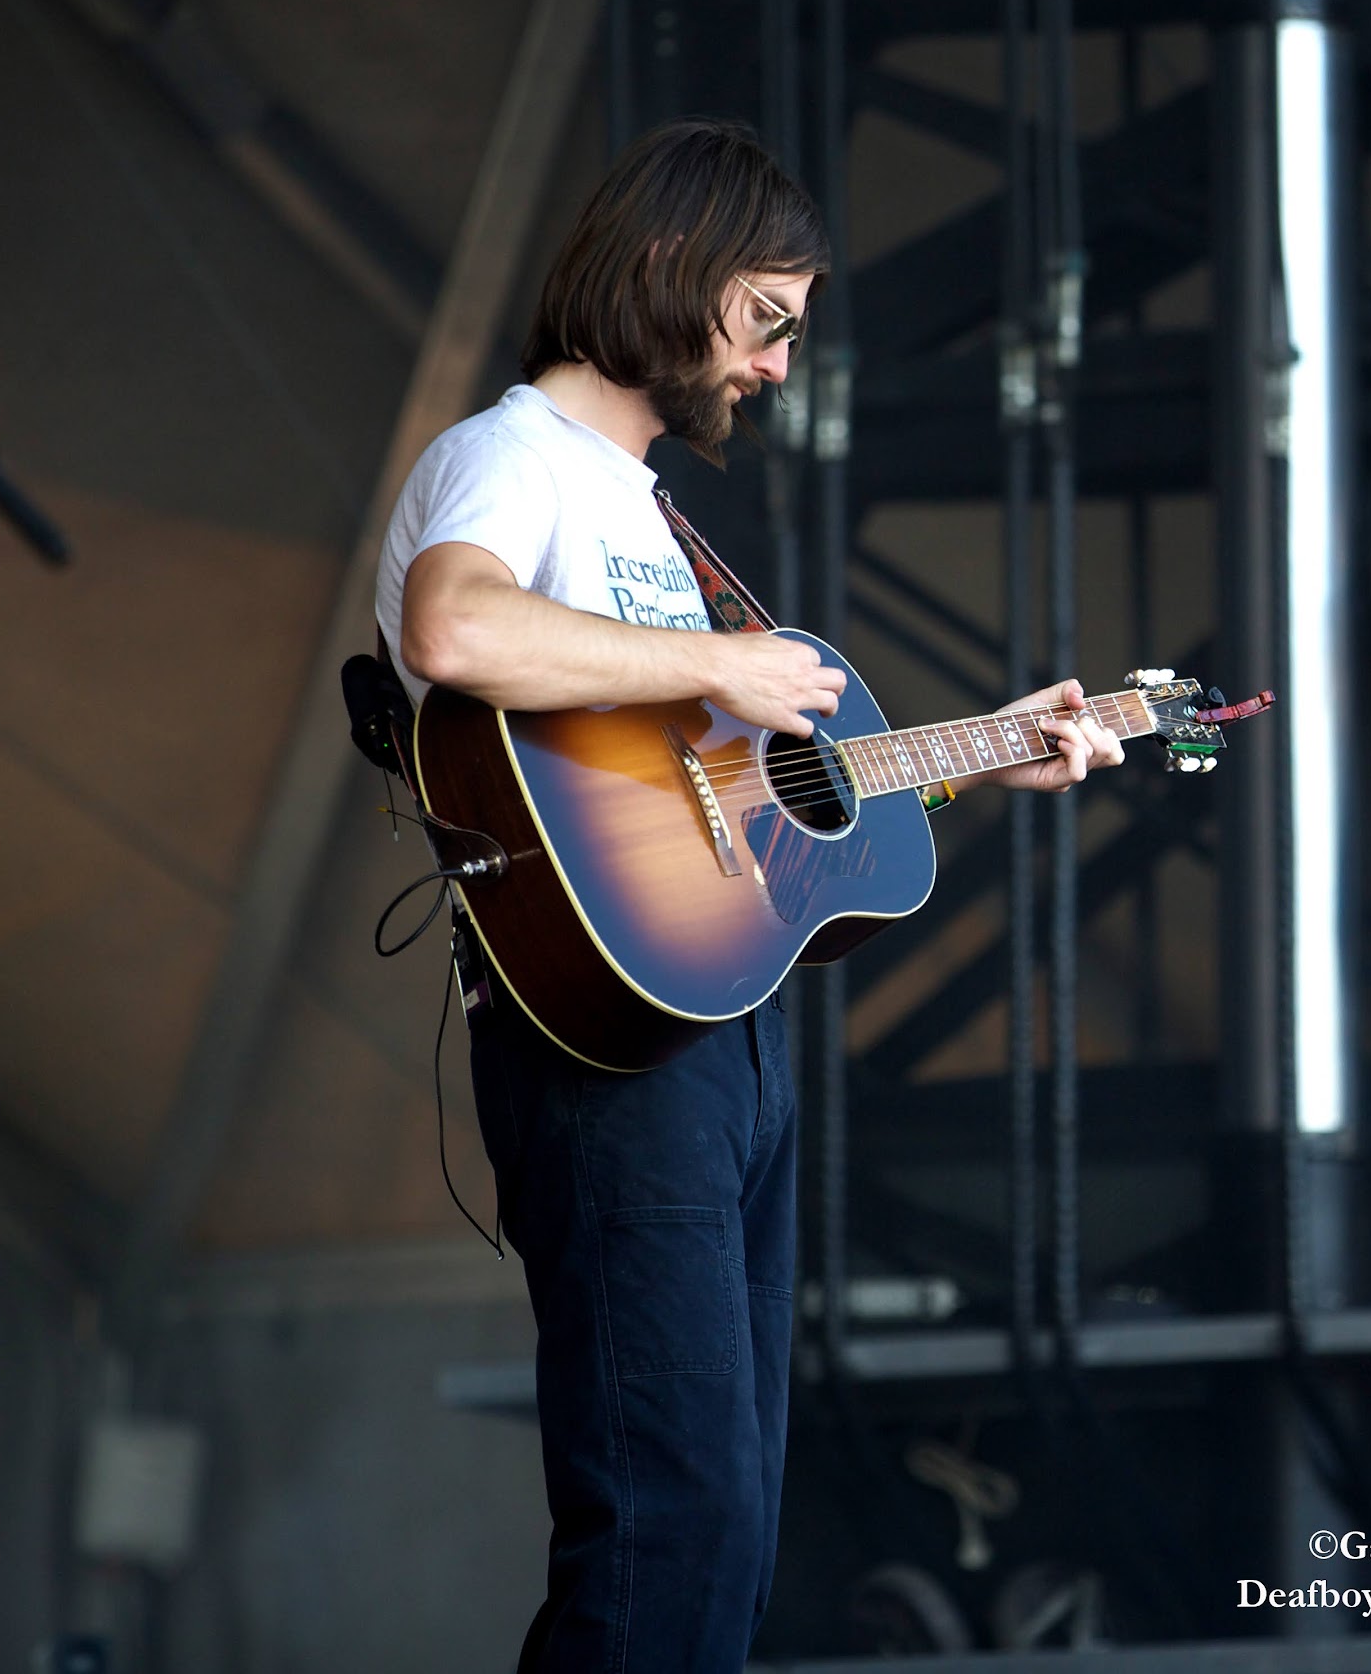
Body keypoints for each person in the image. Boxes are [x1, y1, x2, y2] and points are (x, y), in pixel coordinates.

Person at [374, 117, 1123, 1674]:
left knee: (728, 1530)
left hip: (718, 1039)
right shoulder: (511, 456)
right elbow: (453, 627)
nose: (780, 367)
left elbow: (731, 796)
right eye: (766, 321)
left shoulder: (650, 519)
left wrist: (991, 757)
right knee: (669, 1529)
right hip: (603, 1053)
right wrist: (719, 661)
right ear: (666, 273)